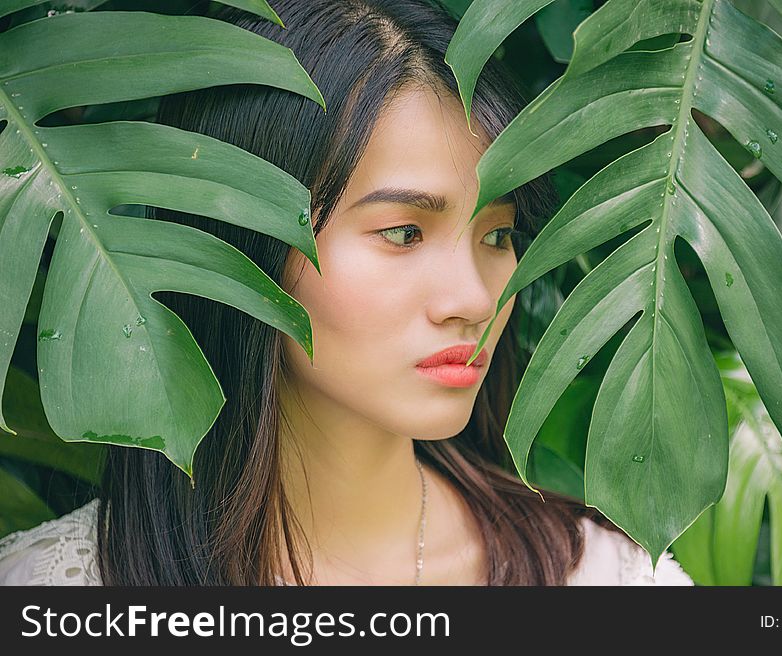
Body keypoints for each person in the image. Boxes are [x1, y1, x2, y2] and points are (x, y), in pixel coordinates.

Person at [0, 0, 692, 586]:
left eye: (498, 235)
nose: (474, 300)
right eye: (402, 234)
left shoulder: (602, 579)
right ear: (243, 240)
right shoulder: (56, 586)